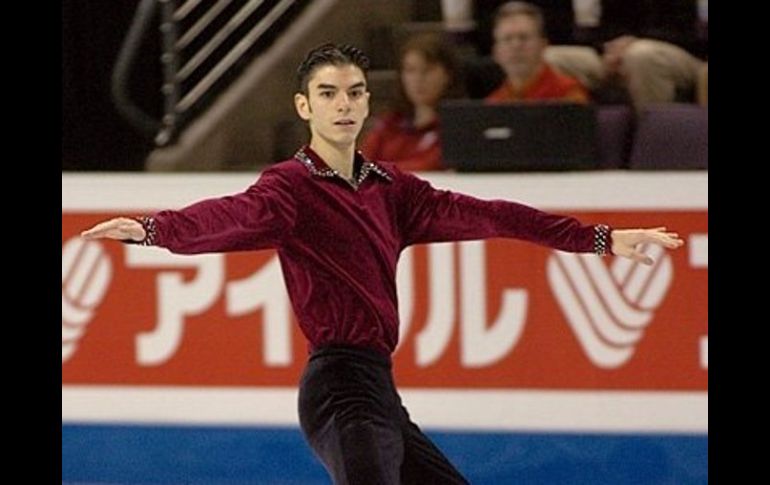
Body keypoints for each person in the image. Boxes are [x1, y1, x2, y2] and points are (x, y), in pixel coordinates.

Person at [81, 43, 684, 485]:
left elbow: (494, 214)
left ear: (368, 101)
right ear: (303, 106)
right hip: (339, 388)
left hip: (377, 389)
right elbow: (229, 216)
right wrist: (154, 229)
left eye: (354, 92)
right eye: (327, 93)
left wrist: (601, 239)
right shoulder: (290, 188)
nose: (343, 105)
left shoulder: (392, 189)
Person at [360, 33, 463, 172]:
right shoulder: (390, 123)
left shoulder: (458, 127)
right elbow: (359, 165)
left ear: (447, 74)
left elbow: (430, 165)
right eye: (410, 70)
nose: (418, 79)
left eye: (427, 70)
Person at [486, 1, 589, 104]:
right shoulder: (493, 103)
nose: (516, 46)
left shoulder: (570, 95)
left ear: (543, 45)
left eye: (524, 38)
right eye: (507, 39)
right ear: (496, 52)